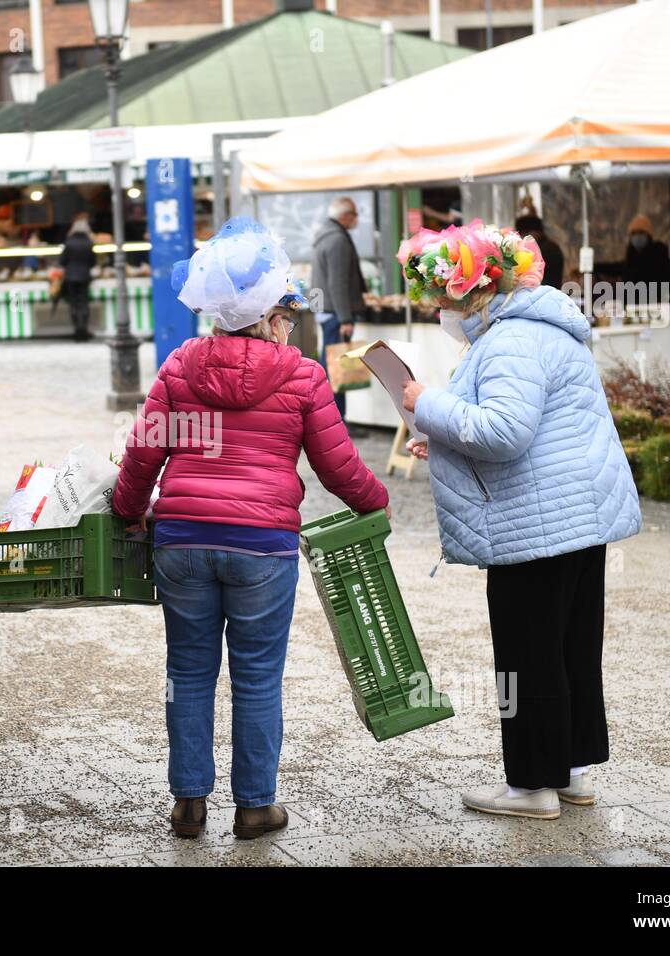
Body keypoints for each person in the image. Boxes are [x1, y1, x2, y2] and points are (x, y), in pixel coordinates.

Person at [113, 217, 391, 840]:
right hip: (262, 548)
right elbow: (337, 466)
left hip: (182, 540)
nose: (291, 324)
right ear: (268, 318)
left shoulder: (180, 365)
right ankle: (254, 805)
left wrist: (130, 512)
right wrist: (377, 503)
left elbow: (142, 453)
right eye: (287, 314)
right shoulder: (302, 376)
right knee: (258, 675)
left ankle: (188, 801)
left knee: (187, 671)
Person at [396, 220, 641, 820]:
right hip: (578, 517)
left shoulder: (508, 341)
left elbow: (504, 431)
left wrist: (423, 403)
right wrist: (444, 436)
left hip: (534, 526)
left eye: (441, 300)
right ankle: (574, 771)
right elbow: (521, 424)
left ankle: (532, 784)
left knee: (527, 655)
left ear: (470, 291)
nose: (438, 313)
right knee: (572, 649)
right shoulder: (545, 329)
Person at [310, 196, 367, 417]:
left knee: (331, 368)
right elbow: (337, 282)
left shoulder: (324, 235)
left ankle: (332, 419)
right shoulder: (338, 240)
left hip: (325, 310)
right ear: (344, 216)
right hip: (335, 313)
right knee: (337, 370)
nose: (356, 219)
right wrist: (345, 318)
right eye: (354, 214)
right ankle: (336, 420)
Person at [599, 213, 670, 289]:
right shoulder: (632, 256)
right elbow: (619, 268)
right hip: (633, 298)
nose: (638, 236)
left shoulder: (658, 254)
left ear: (648, 236)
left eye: (641, 232)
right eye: (634, 233)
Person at [59, 215, 97, 341]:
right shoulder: (89, 243)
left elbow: (62, 261)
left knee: (74, 304)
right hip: (85, 276)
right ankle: (83, 330)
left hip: (70, 276)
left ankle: (76, 331)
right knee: (84, 303)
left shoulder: (68, 242)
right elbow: (93, 261)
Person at [513, 214, 564, 289]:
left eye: (526, 233)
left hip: (544, 292)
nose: (524, 238)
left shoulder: (547, 250)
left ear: (537, 232)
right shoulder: (549, 246)